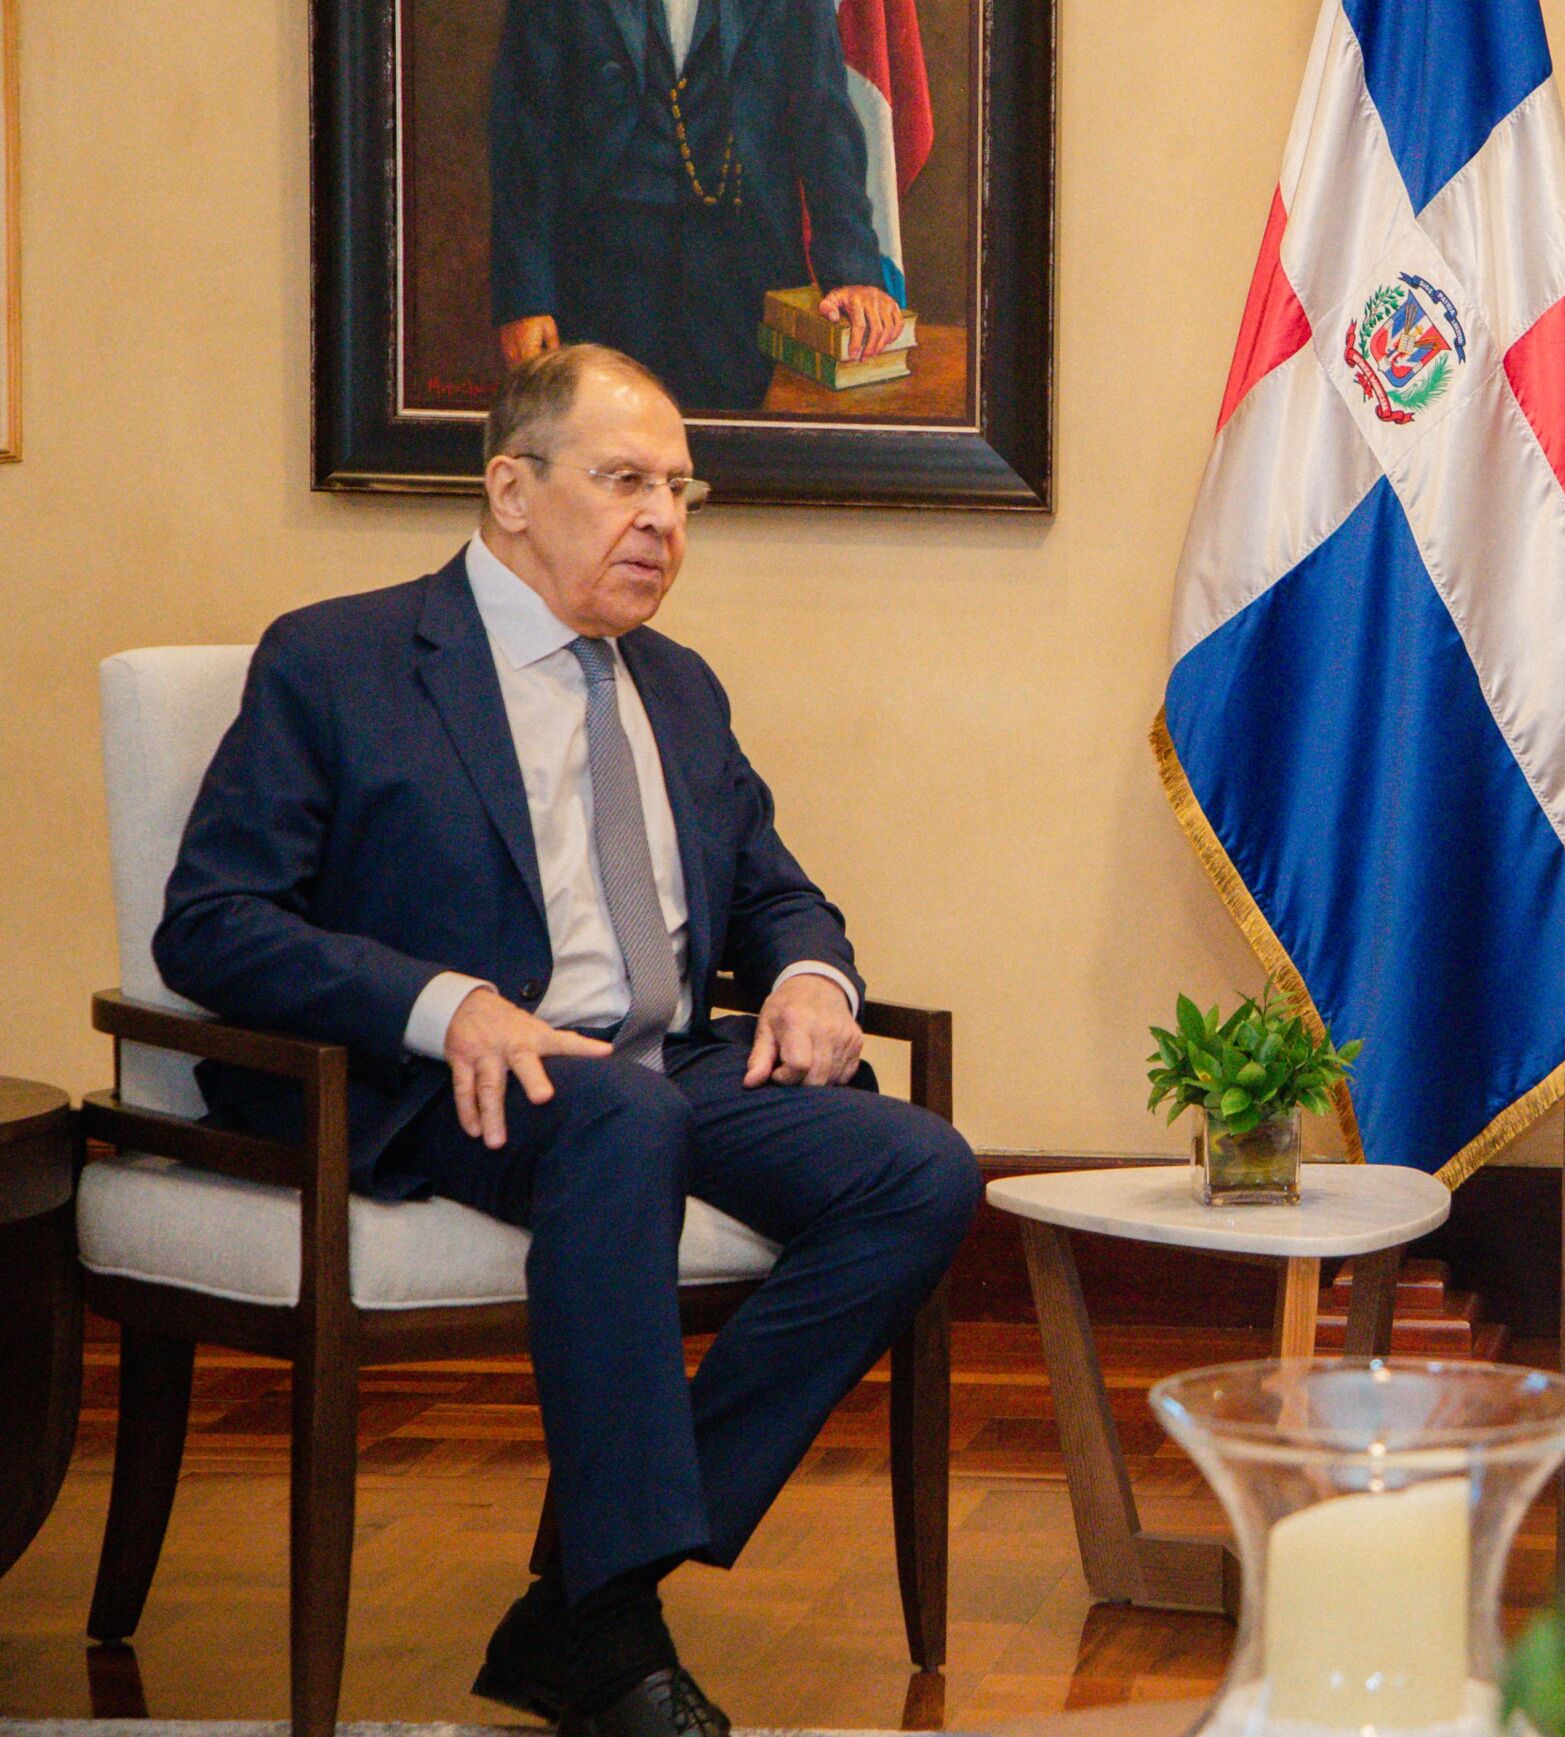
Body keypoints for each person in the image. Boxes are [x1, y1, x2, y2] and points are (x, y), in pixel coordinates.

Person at [157, 344, 977, 1737]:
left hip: (663, 1062)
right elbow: (213, 922)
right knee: (622, 1114)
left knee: (922, 1169)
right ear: (512, 491)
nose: (661, 519)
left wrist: (813, 980)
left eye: (678, 489)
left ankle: (588, 1601)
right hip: (439, 1080)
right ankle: (605, 1634)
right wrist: (445, 1002)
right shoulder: (342, 660)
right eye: (623, 481)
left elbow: (775, 889)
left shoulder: (679, 685)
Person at [486, 0, 908, 411]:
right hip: (599, 280)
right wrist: (525, 299)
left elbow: (824, 121)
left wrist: (853, 273)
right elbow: (525, 131)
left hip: (747, 281)